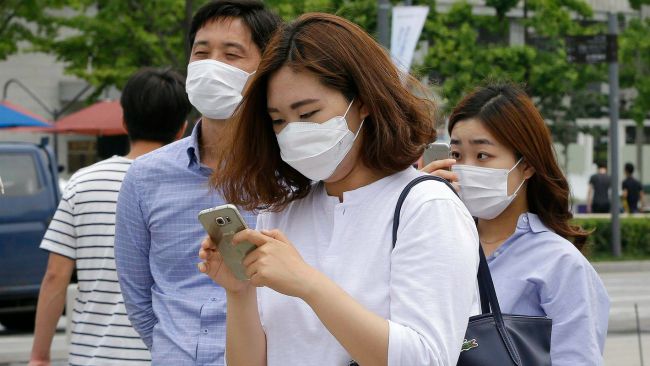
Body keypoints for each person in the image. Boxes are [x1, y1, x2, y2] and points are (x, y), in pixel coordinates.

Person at [197, 13, 480, 366]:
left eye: (308, 113)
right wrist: (239, 292)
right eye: (278, 120)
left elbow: (425, 358)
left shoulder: (426, 206)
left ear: (362, 101)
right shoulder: (282, 211)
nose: (292, 133)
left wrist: (308, 284)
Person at [113, 1, 282, 365]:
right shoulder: (145, 176)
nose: (211, 65)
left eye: (231, 54)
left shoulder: (293, 175)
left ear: (265, 68)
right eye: (201, 52)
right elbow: (138, 296)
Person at [422, 82, 610, 365]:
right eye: (457, 155)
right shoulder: (438, 245)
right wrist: (419, 206)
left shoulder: (559, 263)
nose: (466, 168)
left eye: (482, 155)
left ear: (526, 164)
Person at [29, 68, 191, 366]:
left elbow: (55, 276)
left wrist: (40, 356)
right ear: (182, 128)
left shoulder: (83, 183)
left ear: (124, 121)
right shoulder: (192, 187)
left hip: (94, 355)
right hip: (167, 354)